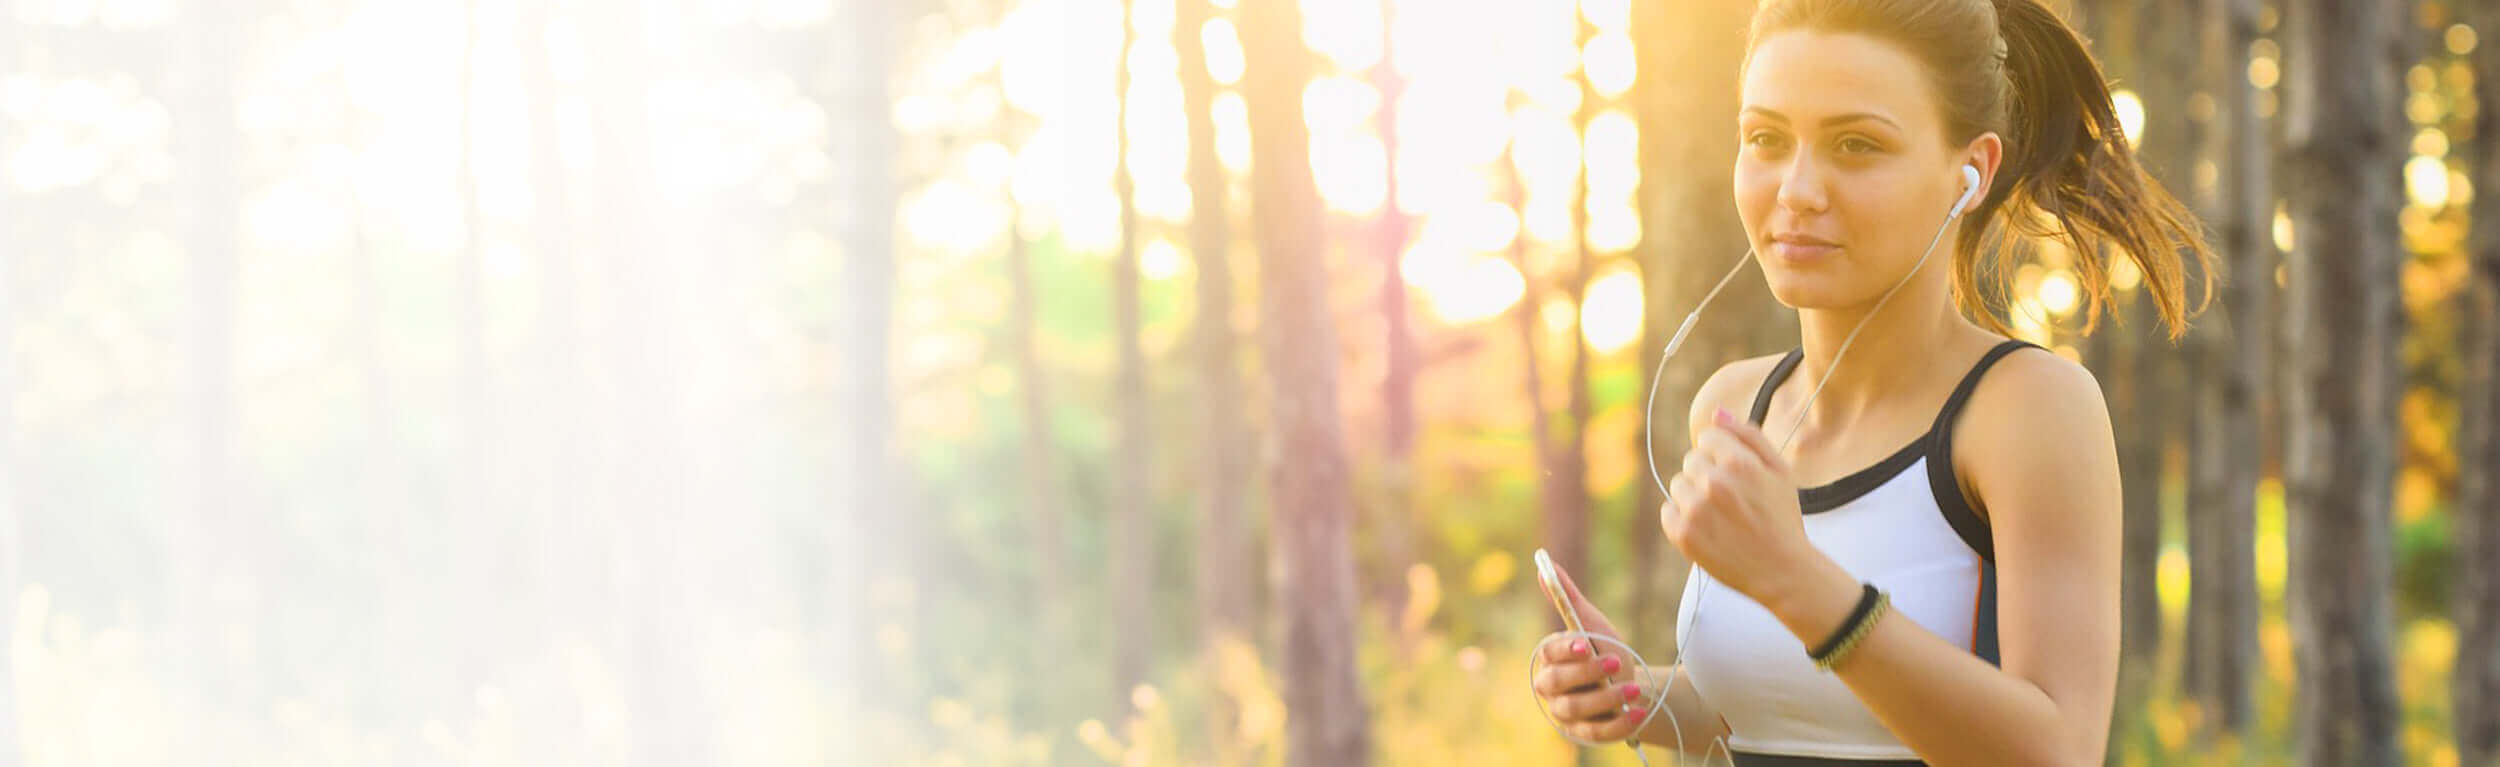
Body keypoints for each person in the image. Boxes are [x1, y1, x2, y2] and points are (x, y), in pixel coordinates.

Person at [1529, 0, 2213, 764]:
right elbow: (1773, 715)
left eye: (1856, 144)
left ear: (1973, 171)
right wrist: (1639, 694)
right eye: (1766, 138)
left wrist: (1798, 581)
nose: (1797, 190)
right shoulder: (1731, 408)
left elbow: (2058, 750)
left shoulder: (2024, 409)